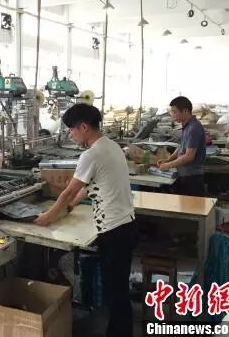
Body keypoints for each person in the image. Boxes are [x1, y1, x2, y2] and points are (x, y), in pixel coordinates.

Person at [34, 103, 137, 337]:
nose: (71, 134)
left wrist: (48, 216)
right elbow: (86, 187)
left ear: (83, 127)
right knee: (118, 292)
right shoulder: (111, 146)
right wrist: (70, 207)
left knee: (116, 296)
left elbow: (68, 191)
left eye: (71, 129)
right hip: (126, 226)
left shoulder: (91, 154)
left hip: (114, 231)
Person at [157, 96, 206, 197]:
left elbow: (188, 157)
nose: (172, 115)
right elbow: (181, 146)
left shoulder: (193, 128)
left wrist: (168, 165)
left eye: (174, 112)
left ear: (185, 111)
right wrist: (168, 160)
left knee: (191, 205)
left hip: (192, 177)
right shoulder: (187, 126)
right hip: (184, 174)